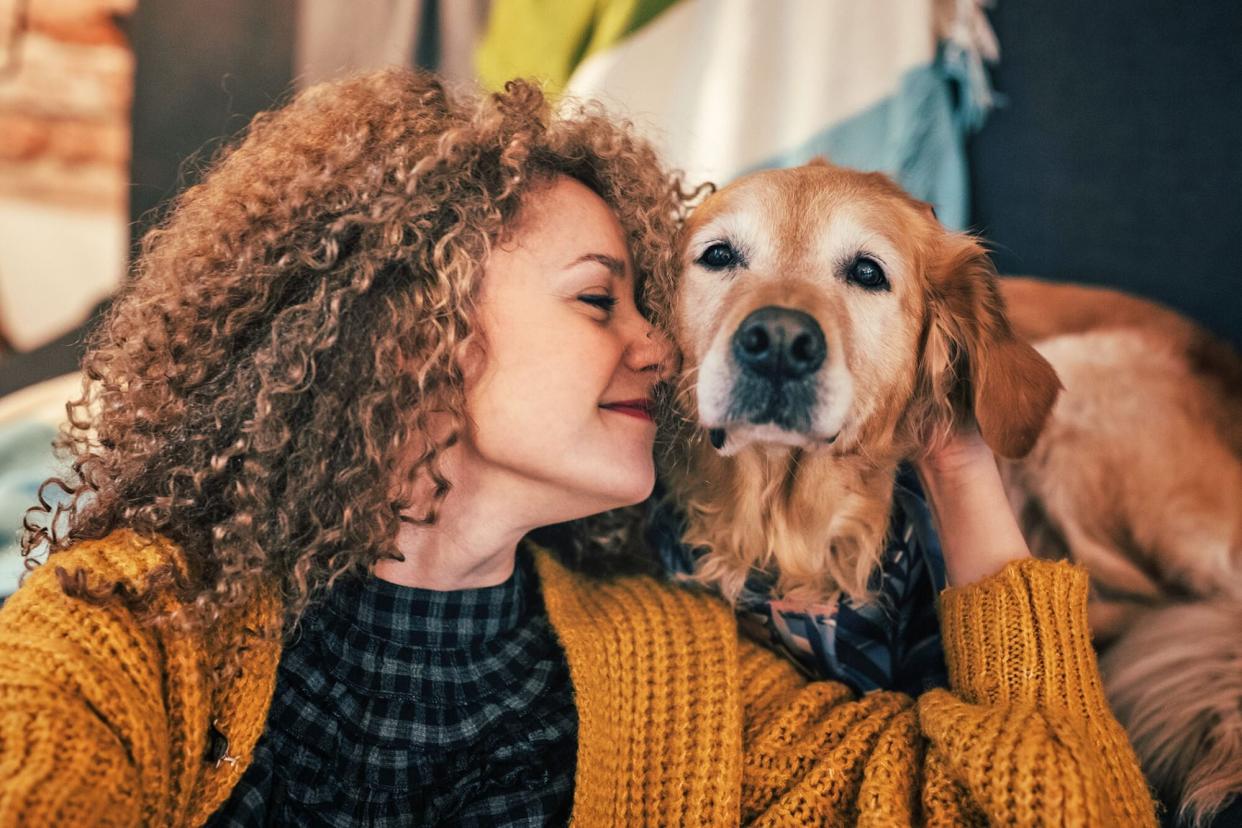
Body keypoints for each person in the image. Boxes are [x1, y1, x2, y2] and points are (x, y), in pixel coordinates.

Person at [0, 69, 1155, 826]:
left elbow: (1063, 806)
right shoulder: (133, 624)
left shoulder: (685, 676)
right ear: (416, 336)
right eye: (604, 301)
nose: (664, 347)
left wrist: (957, 461)